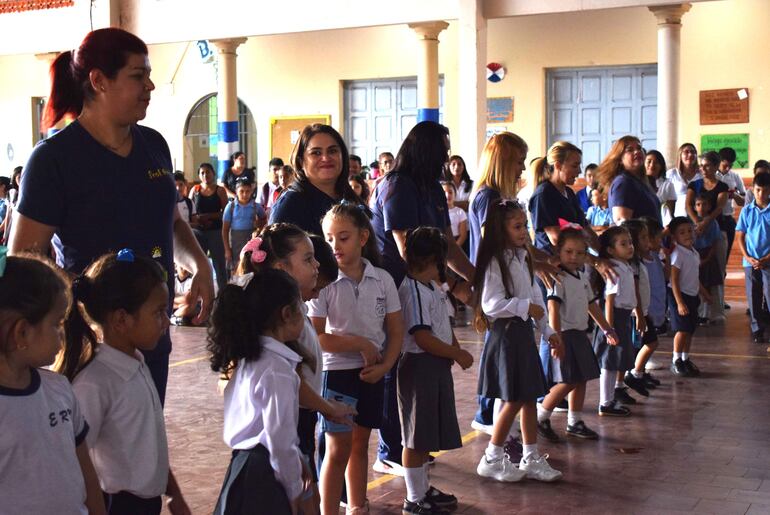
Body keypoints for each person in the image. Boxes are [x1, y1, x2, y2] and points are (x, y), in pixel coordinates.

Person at [10, 27, 214, 404]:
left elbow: (170, 222)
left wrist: (201, 266)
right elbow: (24, 259)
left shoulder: (153, 145)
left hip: (151, 331)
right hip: (90, 341)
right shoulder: (55, 159)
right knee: (95, 452)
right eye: (138, 76)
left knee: (147, 439)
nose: (150, 86)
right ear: (99, 81)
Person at [369, 121, 474, 476]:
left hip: (421, 282)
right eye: (442, 150)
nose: (446, 156)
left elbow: (444, 243)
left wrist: (474, 277)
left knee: (415, 367)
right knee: (395, 366)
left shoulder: (430, 188)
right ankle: (389, 449)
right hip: (397, 284)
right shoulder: (398, 186)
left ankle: (410, 444)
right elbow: (407, 247)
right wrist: (446, 286)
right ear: (425, 150)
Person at [58, 250, 189, 515]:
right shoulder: (95, 383)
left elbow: (149, 442)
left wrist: (172, 492)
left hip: (146, 503)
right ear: (121, 319)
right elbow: (74, 462)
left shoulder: (136, 362)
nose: (166, 322)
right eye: (158, 312)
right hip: (118, 505)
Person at [236, 224, 356, 511]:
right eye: (307, 259)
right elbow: (292, 383)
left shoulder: (296, 310)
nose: (317, 265)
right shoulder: (281, 324)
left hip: (296, 426)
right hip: (281, 435)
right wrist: (328, 407)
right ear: (281, 268)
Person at [308, 203, 403, 514]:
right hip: (338, 374)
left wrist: (386, 365)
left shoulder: (383, 280)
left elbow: (395, 330)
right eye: (329, 239)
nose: (335, 245)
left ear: (363, 237)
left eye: (343, 237)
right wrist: (358, 343)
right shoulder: (322, 284)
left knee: (361, 444)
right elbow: (317, 338)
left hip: (372, 374)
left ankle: (357, 507)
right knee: (337, 449)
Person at [0, 253, 106, 515]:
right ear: (22, 332)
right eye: (57, 324)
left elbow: (86, 473)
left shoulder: (59, 389)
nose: (63, 334)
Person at [473, 199, 563, 483]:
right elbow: (491, 304)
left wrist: (547, 331)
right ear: (501, 229)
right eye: (517, 226)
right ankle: (492, 456)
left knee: (527, 399)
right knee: (513, 399)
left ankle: (530, 456)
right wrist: (524, 307)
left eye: (525, 225)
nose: (524, 231)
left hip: (523, 334)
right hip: (506, 335)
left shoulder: (523, 256)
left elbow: (536, 297)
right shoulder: (494, 260)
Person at [208, 269, 309, 515]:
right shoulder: (278, 370)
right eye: (301, 307)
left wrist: (298, 460)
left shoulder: (249, 357)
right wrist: (295, 490)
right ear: (287, 313)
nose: (305, 313)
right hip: (264, 475)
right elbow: (279, 438)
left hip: (242, 468)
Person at [397, 227, 472, 514]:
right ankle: (414, 499)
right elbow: (423, 337)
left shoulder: (430, 286)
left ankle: (423, 488)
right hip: (420, 367)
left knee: (425, 435)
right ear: (435, 259)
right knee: (415, 437)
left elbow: (441, 325)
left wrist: (452, 348)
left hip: (435, 365)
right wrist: (456, 352)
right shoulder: (413, 289)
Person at [536, 226, 614, 442]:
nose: (574, 257)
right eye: (569, 251)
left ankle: (574, 421)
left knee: (581, 380)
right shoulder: (557, 277)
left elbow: (592, 305)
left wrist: (606, 327)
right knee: (568, 381)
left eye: (580, 253)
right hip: (564, 335)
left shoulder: (581, 277)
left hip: (579, 334)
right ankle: (541, 416)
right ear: (558, 251)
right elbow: (553, 309)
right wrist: (556, 338)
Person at [270, 124, 358, 236]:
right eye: (316, 153)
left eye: (332, 151)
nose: (326, 158)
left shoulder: (349, 197)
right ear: (301, 161)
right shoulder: (290, 205)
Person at [592, 226, 637, 416]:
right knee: (608, 363)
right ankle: (605, 402)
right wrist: (609, 329)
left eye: (630, 242)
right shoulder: (614, 269)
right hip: (614, 318)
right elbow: (609, 300)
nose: (630, 247)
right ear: (610, 250)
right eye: (623, 244)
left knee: (613, 362)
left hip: (623, 317)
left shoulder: (625, 266)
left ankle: (609, 400)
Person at [685, 151, 728, 324]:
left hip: (714, 233)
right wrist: (697, 223)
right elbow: (688, 205)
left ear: (716, 166)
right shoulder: (694, 185)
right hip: (695, 234)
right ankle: (698, 312)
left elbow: (719, 208)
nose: (703, 168)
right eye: (701, 165)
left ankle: (716, 312)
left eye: (707, 165)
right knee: (695, 274)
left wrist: (705, 223)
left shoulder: (722, 186)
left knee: (716, 272)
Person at [619, 219, 661, 397]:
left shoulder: (639, 262)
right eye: (643, 238)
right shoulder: (633, 265)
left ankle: (636, 373)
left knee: (642, 344)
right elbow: (634, 290)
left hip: (642, 312)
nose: (647, 241)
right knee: (649, 342)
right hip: (636, 314)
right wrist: (639, 314)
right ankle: (633, 374)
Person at [668, 216, 709, 377]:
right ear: (674, 237)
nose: (687, 234)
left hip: (691, 296)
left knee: (690, 329)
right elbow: (674, 279)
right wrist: (679, 303)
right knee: (682, 329)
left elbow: (694, 277)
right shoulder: (678, 253)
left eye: (690, 231)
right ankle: (676, 359)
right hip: (679, 295)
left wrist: (704, 293)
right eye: (682, 232)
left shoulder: (694, 253)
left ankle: (685, 359)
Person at [596, 136, 662, 225]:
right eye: (630, 150)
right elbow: (623, 223)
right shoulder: (623, 183)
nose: (637, 152)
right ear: (620, 159)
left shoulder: (640, 181)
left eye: (639, 148)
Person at [632, 217, 667, 383]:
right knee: (648, 342)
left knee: (648, 343)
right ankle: (635, 373)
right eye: (657, 238)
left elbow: (663, 278)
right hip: (645, 309)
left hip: (656, 305)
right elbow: (638, 290)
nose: (660, 241)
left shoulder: (655, 257)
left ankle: (641, 371)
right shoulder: (638, 263)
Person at [736, 172, 770, 345]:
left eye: (765, 191)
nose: (761, 194)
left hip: (768, 261)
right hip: (750, 261)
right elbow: (740, 235)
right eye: (758, 190)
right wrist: (747, 256)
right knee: (753, 295)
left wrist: (766, 258)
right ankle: (757, 329)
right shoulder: (747, 210)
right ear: (752, 190)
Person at [190, 162, 229, 290]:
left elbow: (225, 213)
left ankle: (224, 295)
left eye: (208, 172)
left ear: (213, 173)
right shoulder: (195, 190)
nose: (205, 175)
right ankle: (199, 294)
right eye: (202, 173)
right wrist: (198, 220)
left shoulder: (220, 190)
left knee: (219, 265)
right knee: (198, 265)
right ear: (199, 175)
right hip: (198, 232)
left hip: (216, 232)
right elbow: (190, 211)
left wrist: (209, 217)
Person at [692, 192, 723, 325]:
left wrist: (707, 258)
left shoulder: (712, 222)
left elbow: (715, 242)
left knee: (708, 285)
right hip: (695, 255)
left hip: (707, 255)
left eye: (704, 204)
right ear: (694, 207)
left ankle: (707, 314)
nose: (702, 207)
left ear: (710, 206)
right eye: (698, 204)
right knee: (696, 285)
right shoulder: (691, 223)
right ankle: (698, 313)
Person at [222, 177, 266, 270]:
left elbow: (264, 220)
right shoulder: (231, 207)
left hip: (252, 241)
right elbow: (225, 230)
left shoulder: (256, 206)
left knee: (251, 266)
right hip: (235, 243)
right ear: (236, 191)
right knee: (236, 267)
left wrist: (259, 223)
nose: (245, 194)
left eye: (248, 191)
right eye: (241, 191)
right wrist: (227, 250)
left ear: (251, 191)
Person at [716, 147, 746, 273]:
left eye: (730, 166)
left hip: (728, 218)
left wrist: (734, 195)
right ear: (719, 161)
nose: (728, 168)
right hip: (713, 219)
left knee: (725, 256)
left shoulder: (735, 177)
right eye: (725, 165)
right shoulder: (711, 174)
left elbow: (744, 201)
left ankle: (721, 280)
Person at [666, 143, 701, 218]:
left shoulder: (702, 174)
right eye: (686, 152)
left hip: (699, 216)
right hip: (678, 216)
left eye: (693, 152)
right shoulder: (672, 174)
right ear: (680, 155)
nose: (690, 154)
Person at [645, 150, 676, 226]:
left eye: (656, 162)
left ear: (661, 165)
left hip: (660, 225)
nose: (652, 165)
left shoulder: (668, 184)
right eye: (649, 161)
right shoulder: (637, 182)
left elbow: (670, 212)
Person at [442, 181, 468, 249]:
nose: (447, 195)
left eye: (450, 192)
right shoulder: (437, 212)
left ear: (455, 195)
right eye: (444, 192)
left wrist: (454, 248)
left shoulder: (460, 212)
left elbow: (463, 236)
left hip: (456, 245)